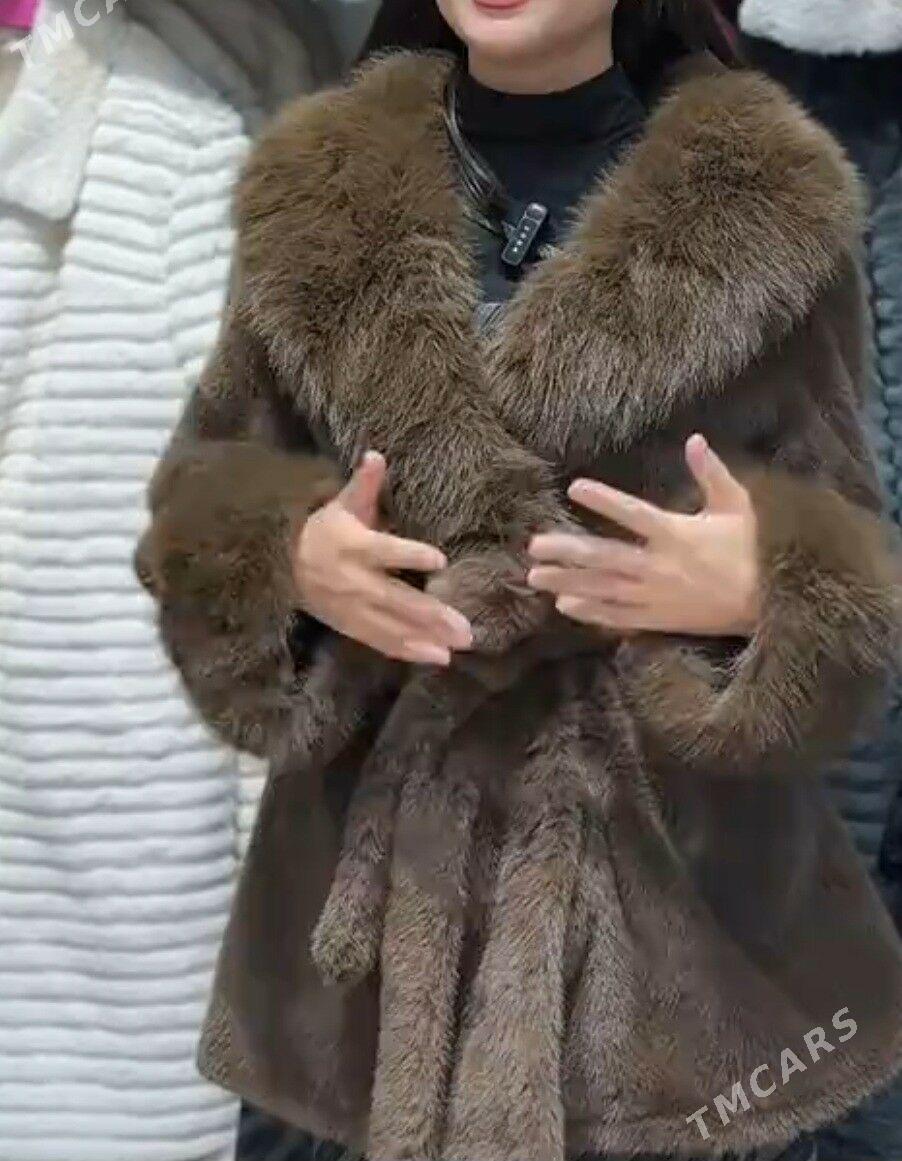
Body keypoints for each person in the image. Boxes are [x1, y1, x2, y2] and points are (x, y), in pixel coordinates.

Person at [135, 2, 902, 1160]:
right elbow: (199, 494)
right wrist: (285, 556)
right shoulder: (314, 189)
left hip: (674, 964)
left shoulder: (771, 202)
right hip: (362, 966)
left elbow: (854, 587)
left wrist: (764, 587)